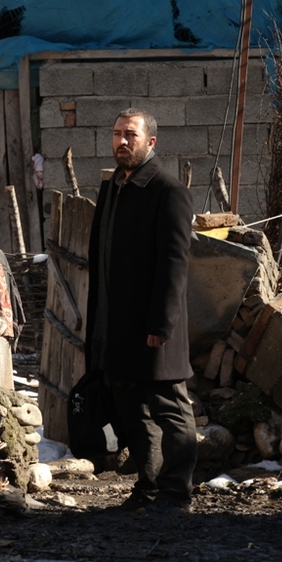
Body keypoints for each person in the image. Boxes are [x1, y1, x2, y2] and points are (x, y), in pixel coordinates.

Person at [85, 108, 197, 514]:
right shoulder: (115, 186)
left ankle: (175, 493)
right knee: (133, 408)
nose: (121, 141)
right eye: (116, 134)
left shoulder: (167, 190)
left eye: (130, 134)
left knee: (170, 405)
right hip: (117, 323)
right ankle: (149, 488)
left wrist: (161, 323)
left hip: (153, 324)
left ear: (151, 142)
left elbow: (174, 264)